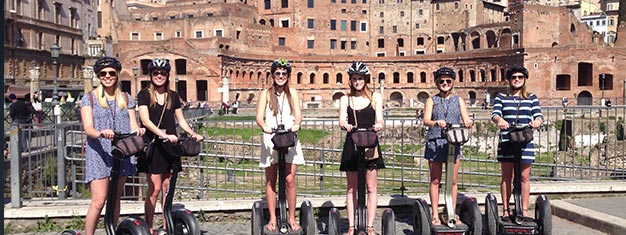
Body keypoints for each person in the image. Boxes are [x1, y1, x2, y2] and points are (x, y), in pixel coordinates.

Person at [137, 58, 204, 235]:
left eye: (163, 74)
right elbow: (145, 120)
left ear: (167, 76)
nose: (159, 76)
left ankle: (167, 226)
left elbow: (181, 120)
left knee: (167, 188)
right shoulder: (144, 94)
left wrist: (192, 134)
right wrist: (162, 134)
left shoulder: (173, 96)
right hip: (153, 146)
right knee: (155, 188)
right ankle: (149, 226)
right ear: (151, 75)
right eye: (156, 73)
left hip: (169, 147)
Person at [81, 56, 146, 235]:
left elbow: (133, 123)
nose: (107, 76)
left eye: (111, 73)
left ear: (117, 75)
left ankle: (111, 231)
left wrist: (138, 130)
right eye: (103, 73)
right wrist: (101, 133)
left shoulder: (126, 98)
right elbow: (88, 128)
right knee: (99, 200)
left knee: (116, 196)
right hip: (99, 153)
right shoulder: (89, 99)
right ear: (98, 76)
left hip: (122, 151)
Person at [255, 59, 305, 232]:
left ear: (288, 76)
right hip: (270, 139)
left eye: (284, 73)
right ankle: (273, 218)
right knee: (271, 180)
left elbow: (298, 115)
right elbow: (259, 117)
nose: (281, 76)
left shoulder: (293, 92)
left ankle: (291, 217)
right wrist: (265, 127)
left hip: (289, 137)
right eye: (278, 73)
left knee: (290, 179)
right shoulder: (266, 94)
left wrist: (297, 124)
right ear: (273, 75)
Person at [422, 67, 473, 225]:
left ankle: (451, 211)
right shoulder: (431, 100)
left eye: (448, 81)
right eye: (442, 81)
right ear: (437, 83)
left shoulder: (459, 100)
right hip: (436, 141)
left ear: (452, 83)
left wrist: (468, 122)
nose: (445, 83)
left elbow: (466, 118)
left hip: (453, 141)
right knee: (435, 180)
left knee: (452, 180)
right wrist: (435, 122)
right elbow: (426, 120)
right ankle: (435, 213)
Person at [338, 61, 384, 235]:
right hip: (353, 142)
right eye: (354, 79)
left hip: (370, 142)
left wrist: (379, 125)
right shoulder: (345, 99)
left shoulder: (375, 97)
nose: (357, 82)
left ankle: (370, 226)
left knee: (371, 187)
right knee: (352, 188)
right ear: (350, 80)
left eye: (360, 78)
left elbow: (380, 118)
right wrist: (345, 125)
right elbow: (342, 119)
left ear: (365, 79)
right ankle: (351, 226)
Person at [491, 65, 543, 218]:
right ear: (509, 80)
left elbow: (538, 114)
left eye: (520, 77)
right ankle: (506, 210)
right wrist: (500, 120)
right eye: (514, 77)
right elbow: (495, 114)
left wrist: (537, 122)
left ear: (524, 79)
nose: (517, 80)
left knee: (524, 177)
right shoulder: (501, 97)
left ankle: (524, 209)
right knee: (507, 177)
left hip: (525, 140)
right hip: (507, 139)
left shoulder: (531, 97)